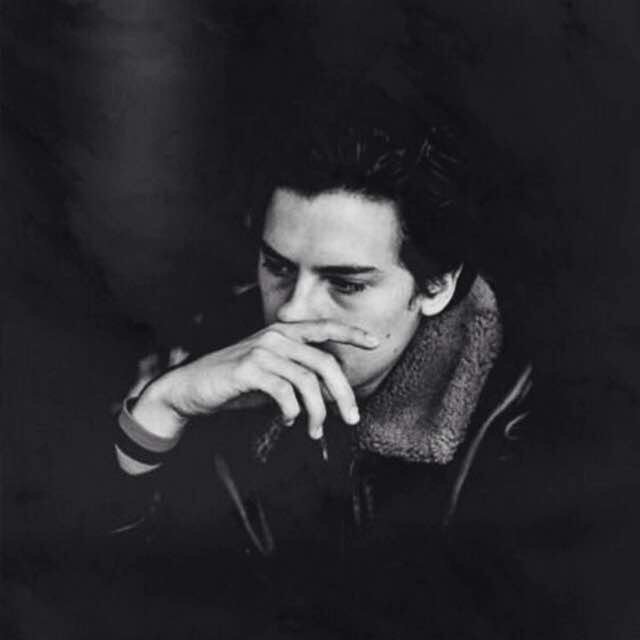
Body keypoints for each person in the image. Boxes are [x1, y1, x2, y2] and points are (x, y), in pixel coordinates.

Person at [109, 87, 569, 638]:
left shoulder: (530, 430)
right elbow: (109, 593)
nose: (292, 312)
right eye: (278, 267)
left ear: (438, 286)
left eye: (346, 283)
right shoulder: (205, 352)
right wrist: (162, 407)